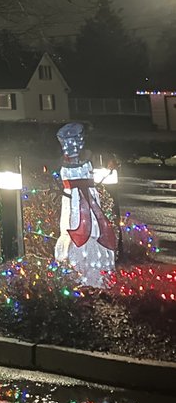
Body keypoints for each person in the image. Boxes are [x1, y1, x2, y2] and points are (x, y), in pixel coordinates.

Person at [54, 122, 116, 287]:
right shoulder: (64, 163)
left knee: (94, 230)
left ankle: (94, 274)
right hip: (73, 201)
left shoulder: (87, 159)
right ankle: (76, 272)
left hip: (87, 200)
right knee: (75, 227)